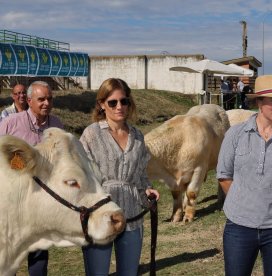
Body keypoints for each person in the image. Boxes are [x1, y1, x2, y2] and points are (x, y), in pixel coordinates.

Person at [216, 74, 272, 276]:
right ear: (259, 101)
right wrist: (243, 202)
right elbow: (224, 174)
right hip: (239, 226)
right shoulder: (236, 134)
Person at [80, 78, 160, 276]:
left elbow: (140, 175)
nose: (119, 107)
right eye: (112, 102)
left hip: (132, 214)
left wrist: (147, 190)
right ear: (101, 104)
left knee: (129, 273)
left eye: (123, 101)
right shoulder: (91, 134)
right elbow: (83, 177)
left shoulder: (138, 136)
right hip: (100, 216)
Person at [0, 80, 63, 276]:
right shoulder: (11, 123)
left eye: (50, 99)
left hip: (40, 202)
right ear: (29, 100)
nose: (46, 103)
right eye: (41, 99)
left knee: (39, 256)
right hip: (13, 202)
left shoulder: (57, 124)